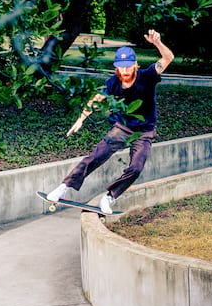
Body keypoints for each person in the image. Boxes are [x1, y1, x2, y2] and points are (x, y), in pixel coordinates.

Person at [46, 29, 174, 214]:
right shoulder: (113, 82)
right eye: (121, 67)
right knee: (96, 156)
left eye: (128, 67)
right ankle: (63, 187)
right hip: (122, 128)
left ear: (135, 65)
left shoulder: (147, 76)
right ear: (116, 67)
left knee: (136, 167)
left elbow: (168, 58)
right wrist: (81, 118)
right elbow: (97, 98)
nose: (125, 71)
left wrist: (157, 43)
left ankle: (110, 197)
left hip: (144, 131)